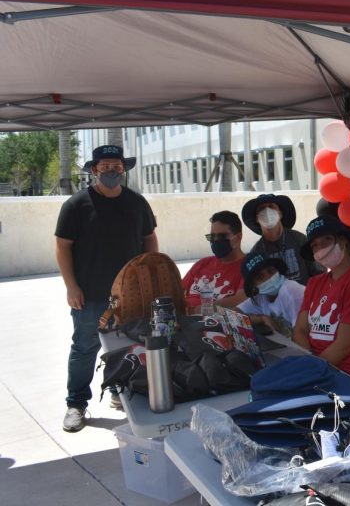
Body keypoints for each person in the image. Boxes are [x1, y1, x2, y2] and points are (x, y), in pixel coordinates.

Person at [55, 145, 158, 432]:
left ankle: (120, 393)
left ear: (123, 169)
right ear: (94, 169)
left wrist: (151, 276)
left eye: (116, 166)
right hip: (89, 294)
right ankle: (76, 404)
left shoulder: (137, 203)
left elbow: (149, 239)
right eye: (105, 166)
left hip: (132, 295)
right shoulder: (76, 205)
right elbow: (62, 247)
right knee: (85, 347)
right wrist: (71, 286)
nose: (111, 171)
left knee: (129, 346)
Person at [292, 215, 350, 384]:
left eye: (326, 240)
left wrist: (311, 372)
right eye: (315, 245)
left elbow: (343, 346)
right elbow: (300, 331)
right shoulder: (314, 283)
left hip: (346, 373)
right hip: (315, 368)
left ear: (343, 240)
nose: (320, 248)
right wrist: (309, 364)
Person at [241, 194, 318, 284]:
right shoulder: (257, 251)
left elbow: (317, 272)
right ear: (257, 218)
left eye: (271, 206)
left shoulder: (299, 239)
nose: (267, 210)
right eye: (262, 208)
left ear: (280, 213)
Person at [181, 211, 246, 310]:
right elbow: (178, 290)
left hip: (213, 321)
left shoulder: (248, 267)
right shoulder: (203, 263)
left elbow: (239, 299)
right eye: (212, 236)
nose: (216, 240)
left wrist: (199, 310)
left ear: (238, 237)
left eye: (222, 236)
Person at [237, 253, 305, 335]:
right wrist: (261, 319)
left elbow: (302, 333)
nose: (268, 277)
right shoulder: (260, 297)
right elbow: (233, 314)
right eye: (260, 277)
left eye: (270, 271)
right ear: (253, 286)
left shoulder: (291, 291)